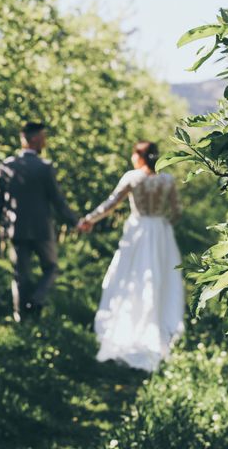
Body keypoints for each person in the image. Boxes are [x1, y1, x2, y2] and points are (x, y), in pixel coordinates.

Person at [79, 141, 185, 372]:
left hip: (138, 231)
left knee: (130, 277)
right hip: (160, 232)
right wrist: (166, 224)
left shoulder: (132, 177)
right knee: (160, 277)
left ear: (139, 157)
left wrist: (89, 219)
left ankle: (128, 321)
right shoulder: (167, 180)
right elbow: (177, 211)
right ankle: (159, 320)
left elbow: (111, 203)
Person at [0, 122, 79, 322]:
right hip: (42, 229)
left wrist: (0, 221)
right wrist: (74, 221)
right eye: (43, 137)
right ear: (34, 139)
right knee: (51, 268)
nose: (45, 141)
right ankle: (36, 300)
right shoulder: (44, 167)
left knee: (20, 275)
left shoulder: (7, 165)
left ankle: (21, 317)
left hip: (16, 229)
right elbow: (57, 200)